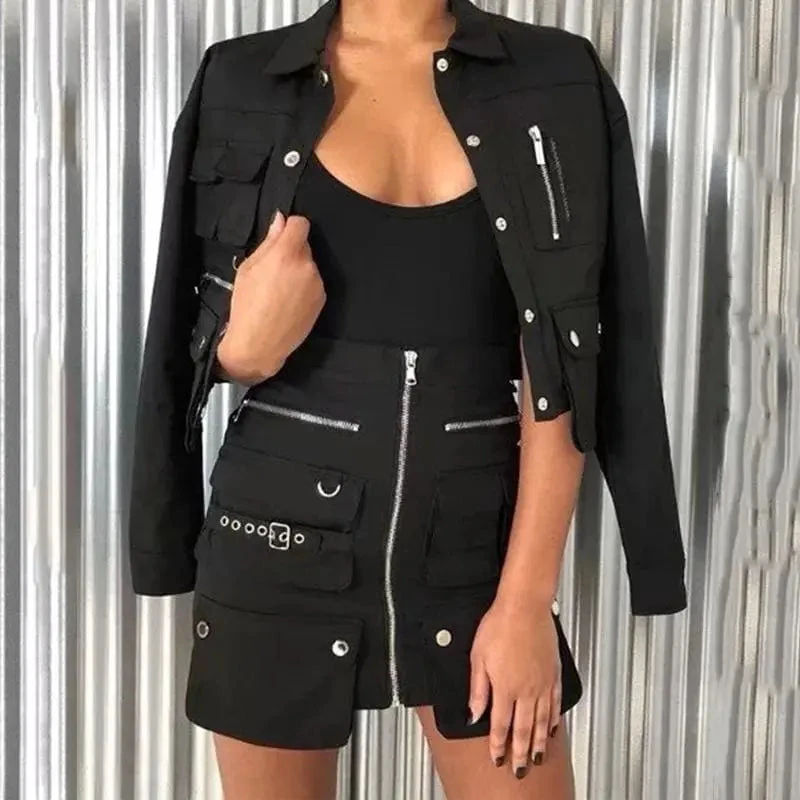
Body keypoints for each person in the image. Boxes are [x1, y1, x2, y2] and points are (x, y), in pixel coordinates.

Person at [126, 1, 688, 798]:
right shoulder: (241, 76)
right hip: (274, 542)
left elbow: (572, 356)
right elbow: (179, 334)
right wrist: (241, 351)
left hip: (476, 549)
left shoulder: (555, 77)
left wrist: (526, 601)